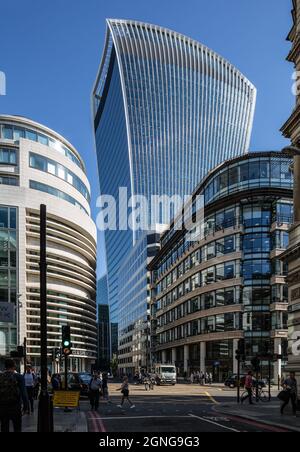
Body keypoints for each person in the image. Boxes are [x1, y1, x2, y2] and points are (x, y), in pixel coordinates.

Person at [0, 359, 28, 432]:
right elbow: (24, 393)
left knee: (4, 427)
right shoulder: (19, 377)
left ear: (5, 366)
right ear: (14, 366)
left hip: (3, 406)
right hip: (15, 406)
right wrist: (26, 406)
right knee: (17, 427)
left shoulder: (1, 376)